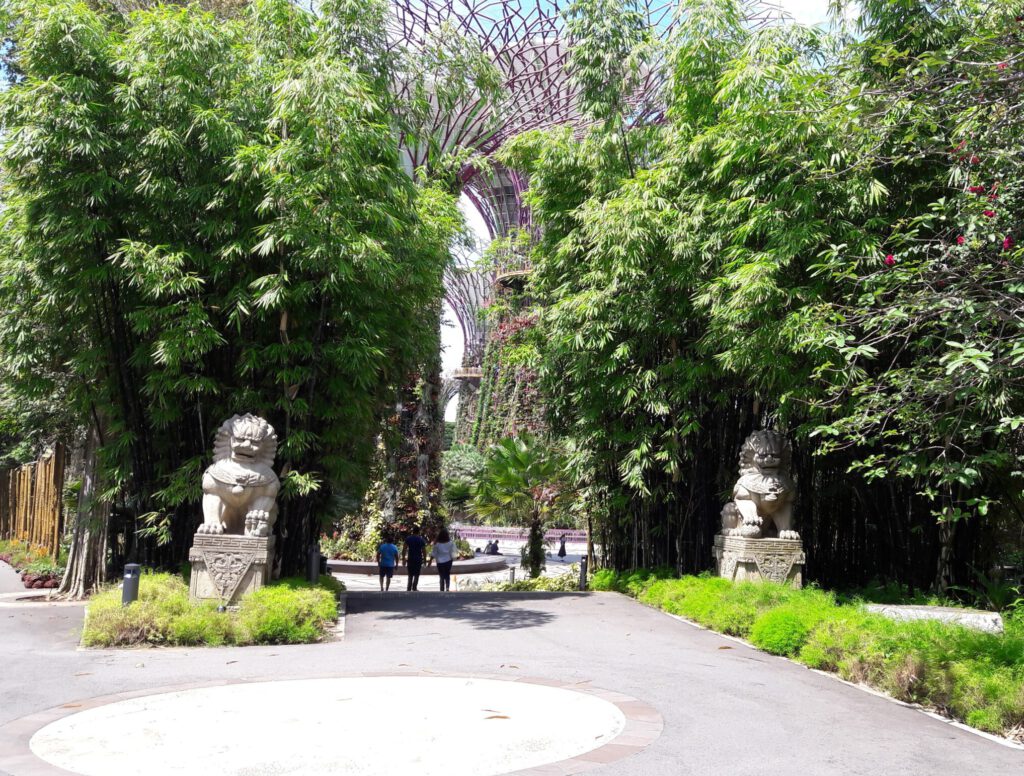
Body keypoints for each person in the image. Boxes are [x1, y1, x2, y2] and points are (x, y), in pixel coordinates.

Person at [432, 528, 456, 592]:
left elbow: (434, 553)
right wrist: (453, 559)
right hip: (448, 561)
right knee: (447, 574)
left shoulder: (437, 544)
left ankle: (441, 589)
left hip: (440, 562)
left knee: (441, 575)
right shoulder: (451, 543)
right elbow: (453, 552)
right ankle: (447, 587)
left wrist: (429, 562)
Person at [403, 526, 427, 592]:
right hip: (418, 559)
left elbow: (404, 549)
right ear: (418, 531)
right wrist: (424, 560)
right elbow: (424, 551)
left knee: (410, 574)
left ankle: (408, 588)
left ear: (412, 531)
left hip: (410, 558)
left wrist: (403, 558)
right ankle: (414, 587)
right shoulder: (421, 539)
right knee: (416, 574)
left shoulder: (408, 539)